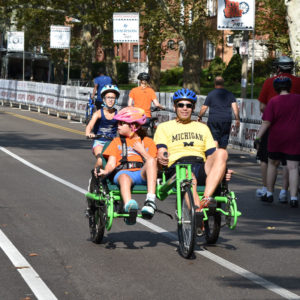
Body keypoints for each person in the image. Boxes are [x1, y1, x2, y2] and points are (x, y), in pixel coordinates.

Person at [154, 88, 228, 215]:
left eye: (188, 105)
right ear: (175, 106)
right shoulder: (164, 127)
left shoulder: (203, 128)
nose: (184, 108)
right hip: (177, 167)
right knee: (188, 175)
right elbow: (161, 150)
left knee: (222, 152)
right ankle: (197, 212)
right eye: (180, 105)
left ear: (193, 108)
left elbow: (211, 155)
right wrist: (162, 156)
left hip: (200, 165)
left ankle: (206, 199)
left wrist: (222, 167)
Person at [97, 107, 158, 223]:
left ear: (134, 126)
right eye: (118, 123)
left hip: (142, 173)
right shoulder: (116, 142)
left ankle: (150, 202)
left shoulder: (148, 142)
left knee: (150, 161)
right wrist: (106, 171)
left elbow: (153, 163)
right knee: (124, 177)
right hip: (123, 172)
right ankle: (129, 208)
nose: (118, 125)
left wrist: (142, 151)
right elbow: (111, 163)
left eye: (122, 123)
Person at [256, 56, 300, 199]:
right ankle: (286, 192)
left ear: (278, 68)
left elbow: (263, 107)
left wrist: (272, 114)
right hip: (295, 131)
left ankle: (267, 190)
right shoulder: (298, 82)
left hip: (274, 130)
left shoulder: (270, 83)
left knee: (267, 160)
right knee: (291, 164)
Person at [198, 76, 240, 149]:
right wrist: (237, 119)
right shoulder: (229, 94)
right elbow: (235, 107)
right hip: (226, 119)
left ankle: (216, 154)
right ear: (223, 84)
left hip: (214, 119)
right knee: (224, 138)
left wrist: (200, 116)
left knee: (214, 138)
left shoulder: (211, 94)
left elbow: (204, 107)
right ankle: (222, 156)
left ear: (215, 83)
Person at [86, 85, 120, 172]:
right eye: (108, 97)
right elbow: (89, 126)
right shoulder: (98, 113)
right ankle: (95, 178)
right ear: (104, 99)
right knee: (101, 160)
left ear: (116, 100)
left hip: (113, 143)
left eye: (113, 98)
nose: (110, 100)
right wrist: (89, 133)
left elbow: (122, 127)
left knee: (119, 163)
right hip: (99, 142)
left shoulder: (118, 114)